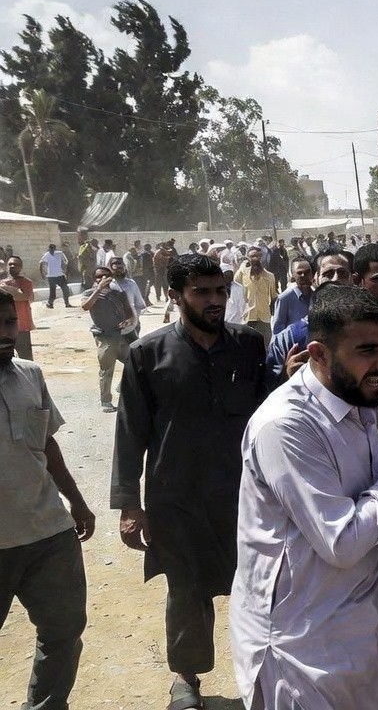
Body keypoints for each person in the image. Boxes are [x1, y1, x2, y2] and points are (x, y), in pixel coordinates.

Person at [232, 284, 378, 709]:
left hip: (366, 631)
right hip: (302, 646)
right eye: (367, 350)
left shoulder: (362, 401)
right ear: (318, 354)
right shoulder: (285, 426)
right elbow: (342, 541)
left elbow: (369, 483)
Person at [111, 253, 272, 709]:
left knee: (260, 584)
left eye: (219, 290)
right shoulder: (148, 353)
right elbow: (130, 431)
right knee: (186, 588)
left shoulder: (249, 345)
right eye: (202, 291)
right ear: (175, 295)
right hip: (176, 496)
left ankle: (265, 671)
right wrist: (128, 504)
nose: (215, 299)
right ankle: (186, 678)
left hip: (244, 495)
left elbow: (270, 416)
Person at [0, 291, 95, 710]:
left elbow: (47, 445)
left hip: (49, 534)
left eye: (8, 322)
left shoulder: (30, 374)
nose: (5, 333)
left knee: (63, 631)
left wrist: (76, 500)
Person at [267, 249, 355, 380]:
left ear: (352, 279)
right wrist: (287, 376)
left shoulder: (369, 331)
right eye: (328, 274)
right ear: (315, 279)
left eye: (342, 273)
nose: (336, 279)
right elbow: (269, 386)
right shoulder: (289, 338)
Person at [81, 266, 138, 412]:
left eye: (105, 276)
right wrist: (98, 290)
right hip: (105, 338)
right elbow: (86, 306)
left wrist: (129, 321)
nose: (102, 279)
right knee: (106, 370)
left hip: (121, 337)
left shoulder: (118, 293)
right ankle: (106, 402)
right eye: (98, 277)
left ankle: (124, 388)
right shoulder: (89, 293)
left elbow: (130, 314)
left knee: (136, 362)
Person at [234, 247, 278, 340]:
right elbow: (235, 292)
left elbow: (274, 296)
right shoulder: (241, 274)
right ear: (248, 258)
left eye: (258, 256)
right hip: (248, 317)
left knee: (265, 346)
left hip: (264, 318)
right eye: (252, 256)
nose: (255, 259)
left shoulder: (270, 277)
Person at [0, 256, 35, 360]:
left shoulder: (26, 282)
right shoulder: (2, 282)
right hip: (5, 327)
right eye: (10, 264)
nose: (12, 266)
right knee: (6, 357)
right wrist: (16, 291)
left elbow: (24, 297)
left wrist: (5, 290)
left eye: (15, 264)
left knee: (26, 357)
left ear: (21, 267)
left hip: (22, 326)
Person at [271, 257, 315, 335]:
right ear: (293, 275)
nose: (303, 276)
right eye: (299, 273)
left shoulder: (317, 296)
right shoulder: (284, 299)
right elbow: (278, 331)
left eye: (307, 272)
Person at [39, 243, 73, 308]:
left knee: (65, 289)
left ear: (55, 249)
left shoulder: (59, 254)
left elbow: (66, 262)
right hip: (51, 276)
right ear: (48, 249)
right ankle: (50, 303)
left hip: (60, 275)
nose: (51, 251)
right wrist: (42, 273)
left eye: (52, 249)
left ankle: (67, 303)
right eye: (50, 249)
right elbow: (41, 263)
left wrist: (66, 272)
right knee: (52, 292)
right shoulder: (47, 255)